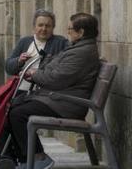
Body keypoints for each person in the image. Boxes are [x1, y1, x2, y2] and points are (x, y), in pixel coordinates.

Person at [7, 13, 101, 169]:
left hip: (66, 104)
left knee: (17, 114)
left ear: (81, 32)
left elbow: (56, 78)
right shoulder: (78, 48)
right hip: (60, 99)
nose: (68, 31)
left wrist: (36, 74)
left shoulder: (81, 52)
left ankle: (37, 157)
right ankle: (19, 158)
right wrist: (40, 72)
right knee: (11, 107)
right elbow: (51, 67)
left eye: (70, 29)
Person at [5, 9, 69, 91]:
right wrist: (19, 61)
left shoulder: (61, 42)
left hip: (44, 92)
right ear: (34, 27)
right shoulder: (24, 41)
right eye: (40, 25)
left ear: (53, 27)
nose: (44, 29)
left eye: (48, 26)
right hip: (21, 89)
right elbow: (8, 68)